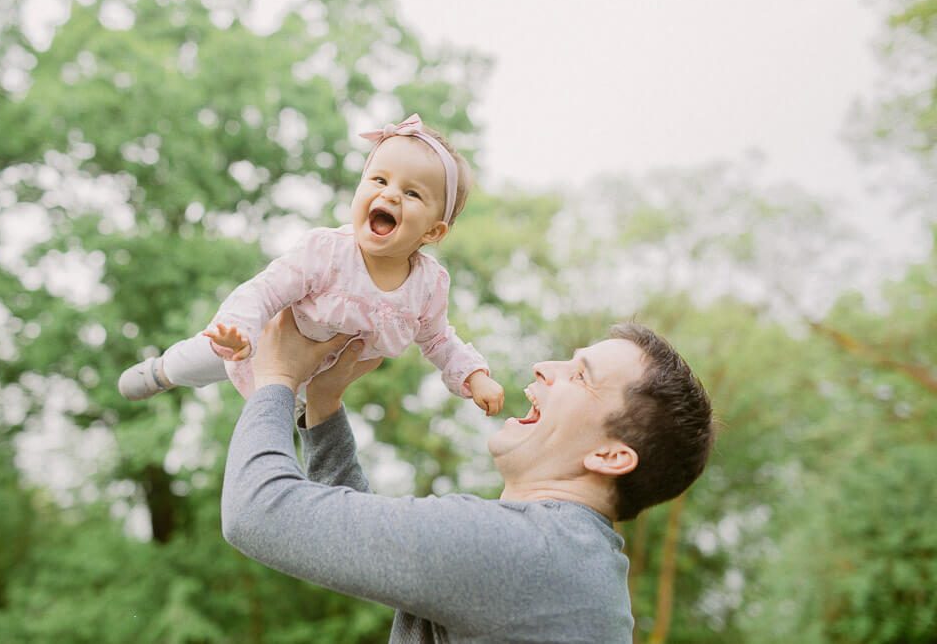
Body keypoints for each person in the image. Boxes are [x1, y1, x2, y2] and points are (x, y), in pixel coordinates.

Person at [221, 308, 715, 643]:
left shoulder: (524, 551)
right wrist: (323, 405)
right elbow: (348, 538)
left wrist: (276, 378)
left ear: (610, 456)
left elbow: (258, 512)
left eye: (581, 375)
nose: (544, 366)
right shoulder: (565, 556)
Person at [117, 113, 505, 414]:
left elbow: (438, 339)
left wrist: (474, 376)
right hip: (261, 342)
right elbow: (265, 291)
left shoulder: (427, 285)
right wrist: (241, 329)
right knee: (199, 361)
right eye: (379, 180)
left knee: (291, 423)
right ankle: (161, 371)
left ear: (434, 231)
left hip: (310, 380)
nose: (390, 195)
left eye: (412, 193)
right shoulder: (328, 252)